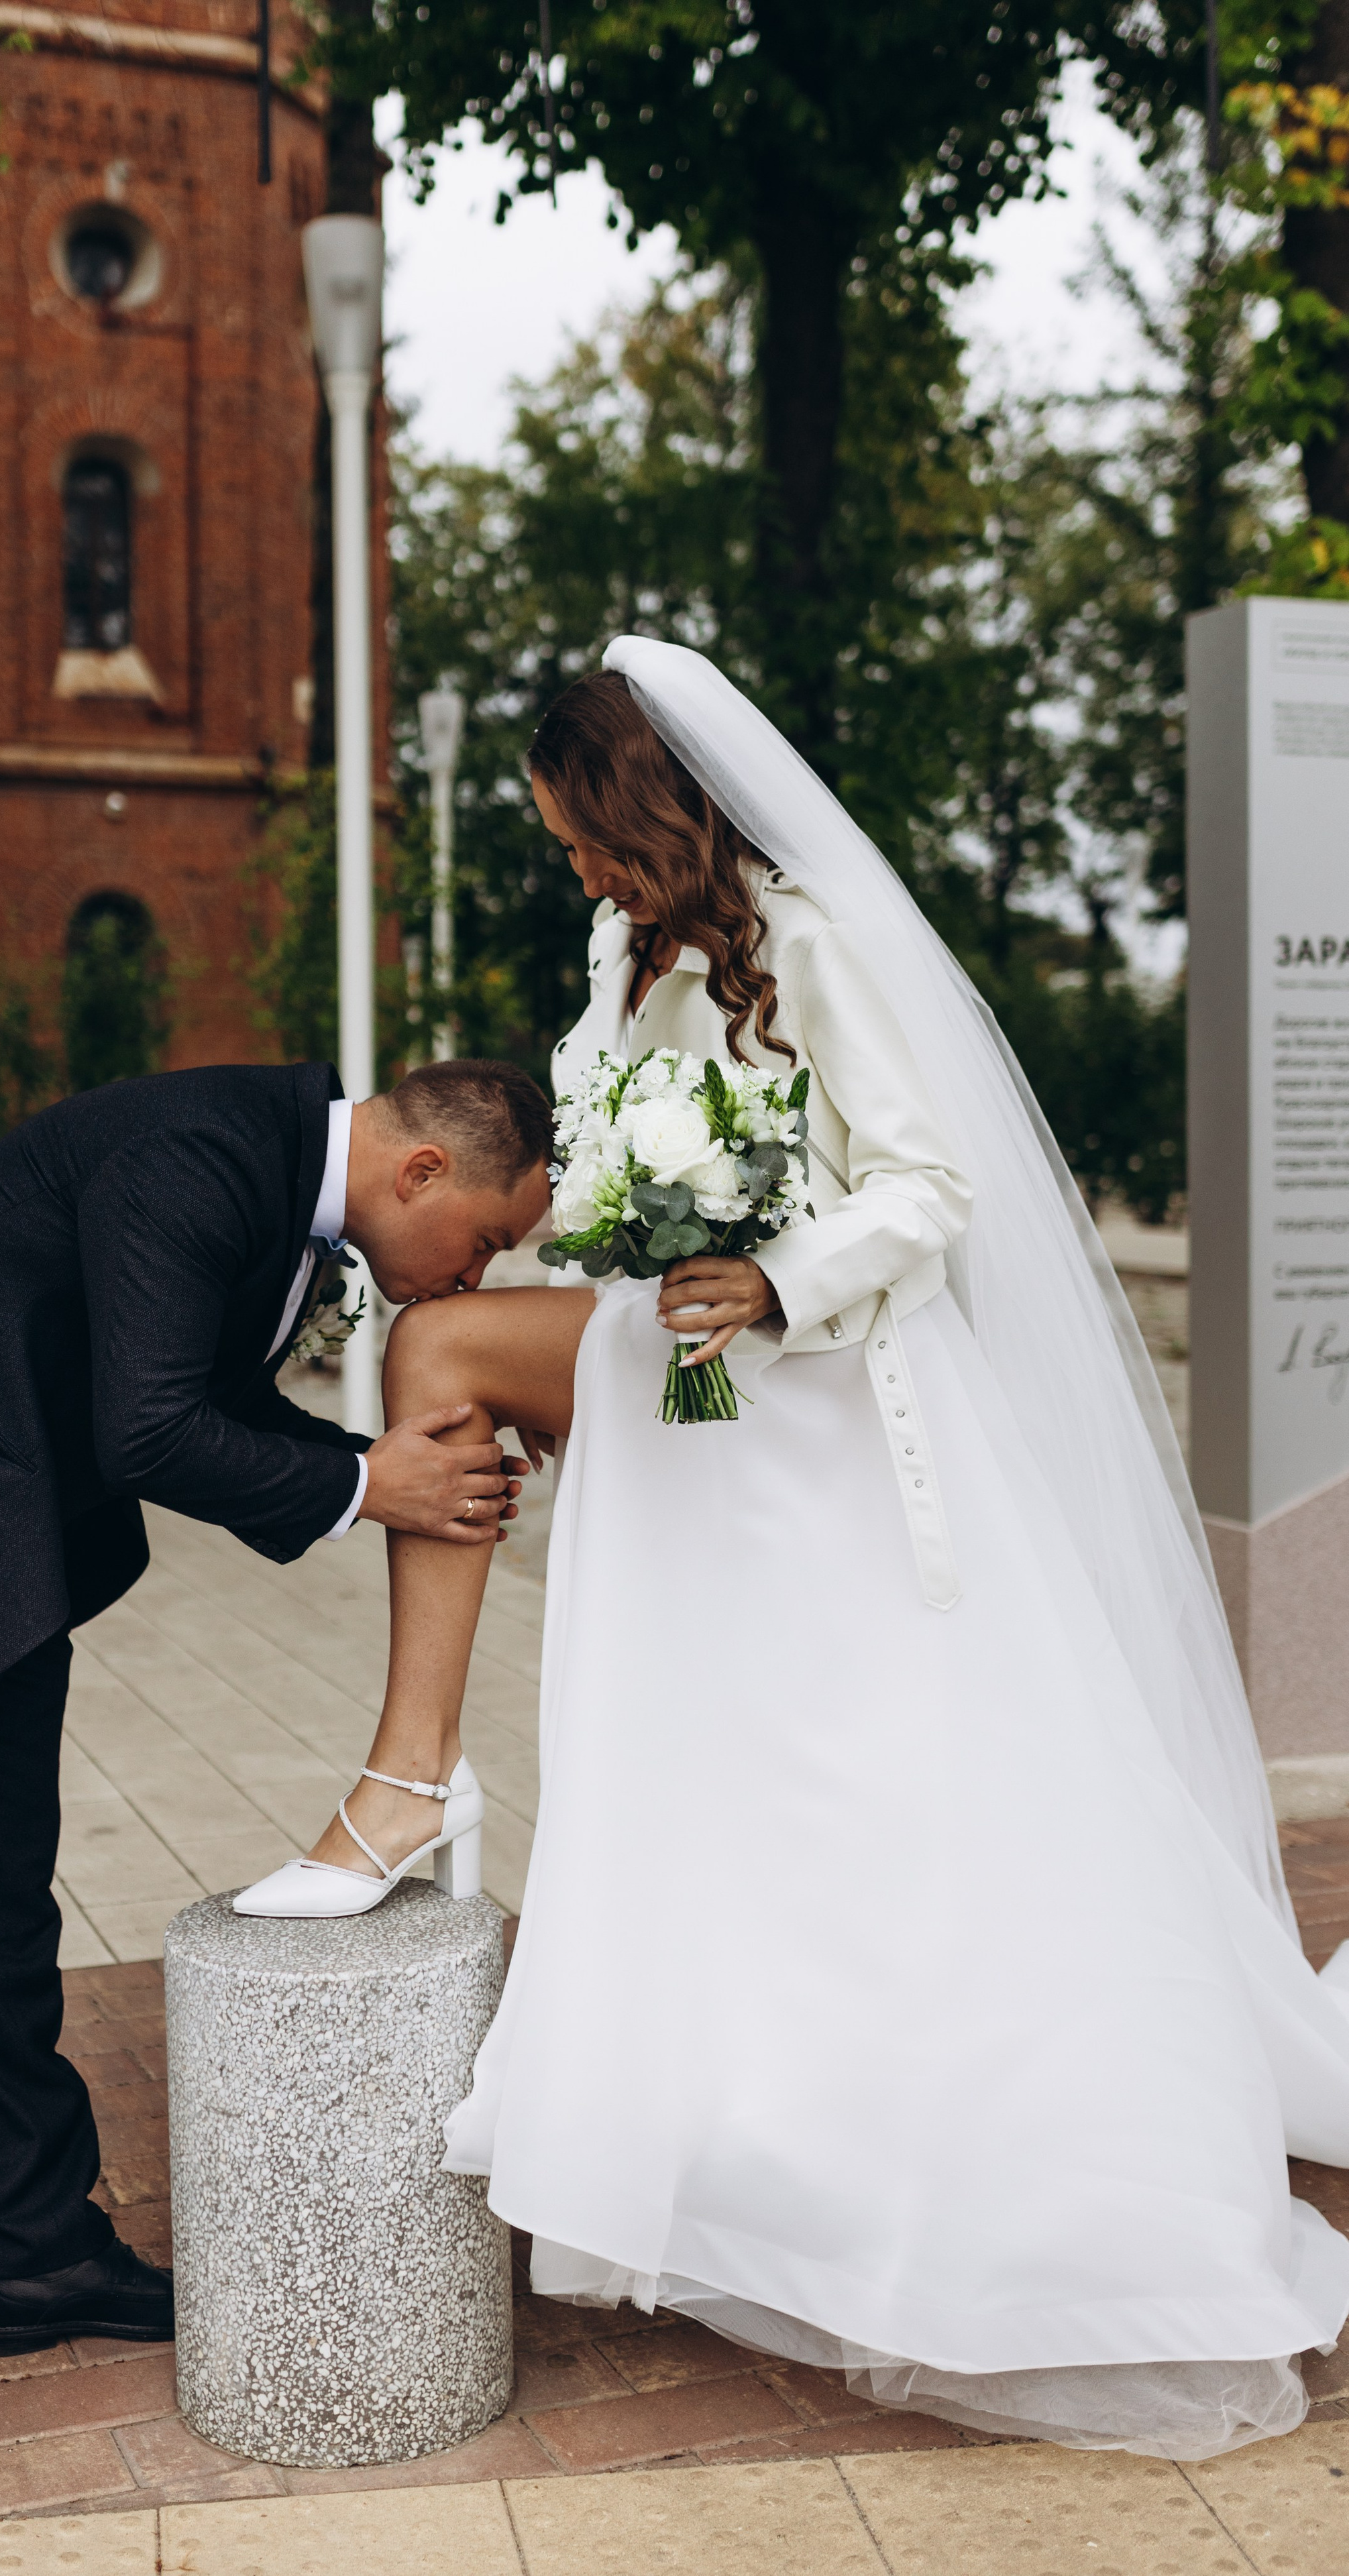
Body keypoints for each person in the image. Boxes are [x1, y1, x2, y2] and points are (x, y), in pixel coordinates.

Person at [235, 640, 1349, 2460]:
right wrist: (606, 1214)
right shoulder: (627, 957)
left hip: (817, 1389)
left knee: (857, 1783)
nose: (574, 874)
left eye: (580, 838)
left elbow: (925, 1186)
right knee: (499, 1439)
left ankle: (925, 2167)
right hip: (671, 1368)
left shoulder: (811, 937)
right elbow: (602, 1150)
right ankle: (416, 1793)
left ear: (643, 807)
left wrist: (775, 1271)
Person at [0, 1056, 550, 2487]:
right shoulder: (208, 1157)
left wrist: (366, 1459)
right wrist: (365, 1487)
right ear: (418, 1173)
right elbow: (151, 1423)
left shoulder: (284, 1174)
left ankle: (34, 2248)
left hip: (6, 1535)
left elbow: (193, 1388)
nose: (473, 1273)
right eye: (482, 1239)